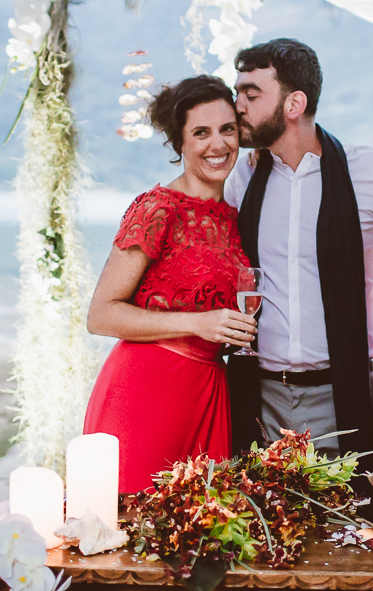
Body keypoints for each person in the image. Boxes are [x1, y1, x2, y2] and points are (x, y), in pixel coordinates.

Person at [224, 38, 373, 472]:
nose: (237, 108)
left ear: (294, 104)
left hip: (344, 394)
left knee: (351, 530)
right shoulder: (241, 179)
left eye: (251, 95)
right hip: (258, 394)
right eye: (237, 95)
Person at [83, 75, 258, 494]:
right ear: (179, 143)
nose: (218, 145)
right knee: (132, 531)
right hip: (145, 393)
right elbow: (101, 314)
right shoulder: (158, 209)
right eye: (201, 133)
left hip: (208, 392)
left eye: (227, 129)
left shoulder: (235, 216)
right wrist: (198, 324)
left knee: (200, 538)